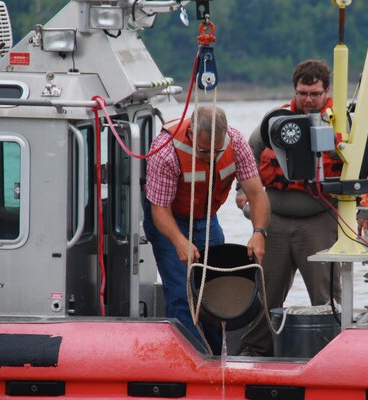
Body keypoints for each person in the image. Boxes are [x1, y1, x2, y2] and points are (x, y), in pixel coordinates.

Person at [235, 60, 342, 357]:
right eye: (302, 93)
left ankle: (331, 352)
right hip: (275, 223)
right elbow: (249, 151)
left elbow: (364, 167)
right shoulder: (276, 121)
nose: (308, 99)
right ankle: (256, 350)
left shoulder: (342, 122)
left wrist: (363, 214)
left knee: (325, 295)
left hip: (319, 222)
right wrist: (242, 189)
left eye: (315, 94)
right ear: (294, 90)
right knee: (266, 291)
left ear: (326, 92)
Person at [143, 106, 269, 355]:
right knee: (182, 293)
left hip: (206, 219)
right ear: (190, 133)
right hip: (170, 220)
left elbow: (256, 194)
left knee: (212, 286)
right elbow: (159, 210)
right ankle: (190, 359)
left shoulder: (237, 143)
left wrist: (258, 232)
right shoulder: (165, 152)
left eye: (217, 150)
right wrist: (179, 240)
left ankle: (214, 355)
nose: (211, 156)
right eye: (204, 151)